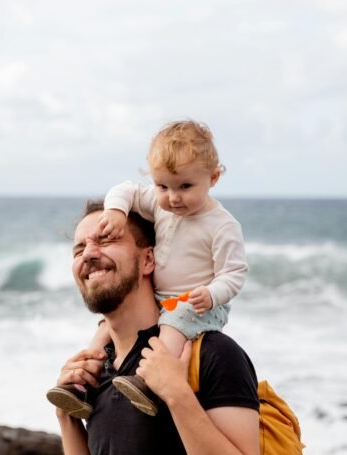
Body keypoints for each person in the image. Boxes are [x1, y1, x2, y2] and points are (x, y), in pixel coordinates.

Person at [54, 200, 260, 455]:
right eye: (79, 248)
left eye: (105, 239)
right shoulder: (99, 369)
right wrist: (65, 416)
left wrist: (177, 393)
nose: (89, 254)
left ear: (148, 260)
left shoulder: (210, 353)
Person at [47, 120, 247, 418]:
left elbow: (234, 273)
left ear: (213, 178)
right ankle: (83, 385)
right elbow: (124, 190)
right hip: (163, 298)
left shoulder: (222, 226)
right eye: (162, 185)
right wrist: (116, 212)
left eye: (185, 186)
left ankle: (147, 383)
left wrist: (211, 293)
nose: (173, 197)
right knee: (105, 329)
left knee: (172, 323)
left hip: (198, 303)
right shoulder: (160, 204)